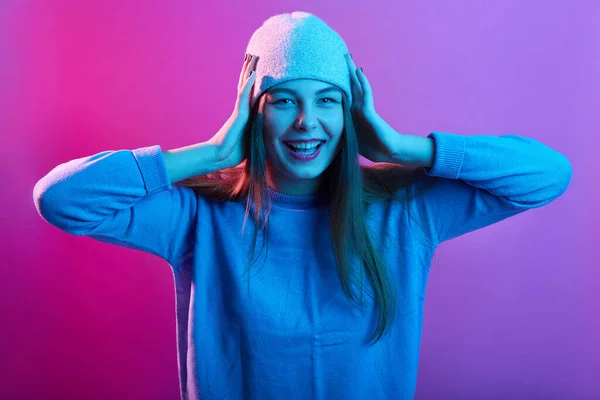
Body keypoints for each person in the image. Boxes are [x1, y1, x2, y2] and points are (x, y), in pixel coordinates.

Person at [32, 11, 572, 400]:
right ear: (253, 112)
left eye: (328, 101)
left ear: (350, 114)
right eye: (284, 99)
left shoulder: (404, 213)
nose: (306, 122)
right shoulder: (199, 216)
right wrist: (212, 152)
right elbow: (60, 199)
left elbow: (548, 175)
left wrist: (406, 148)